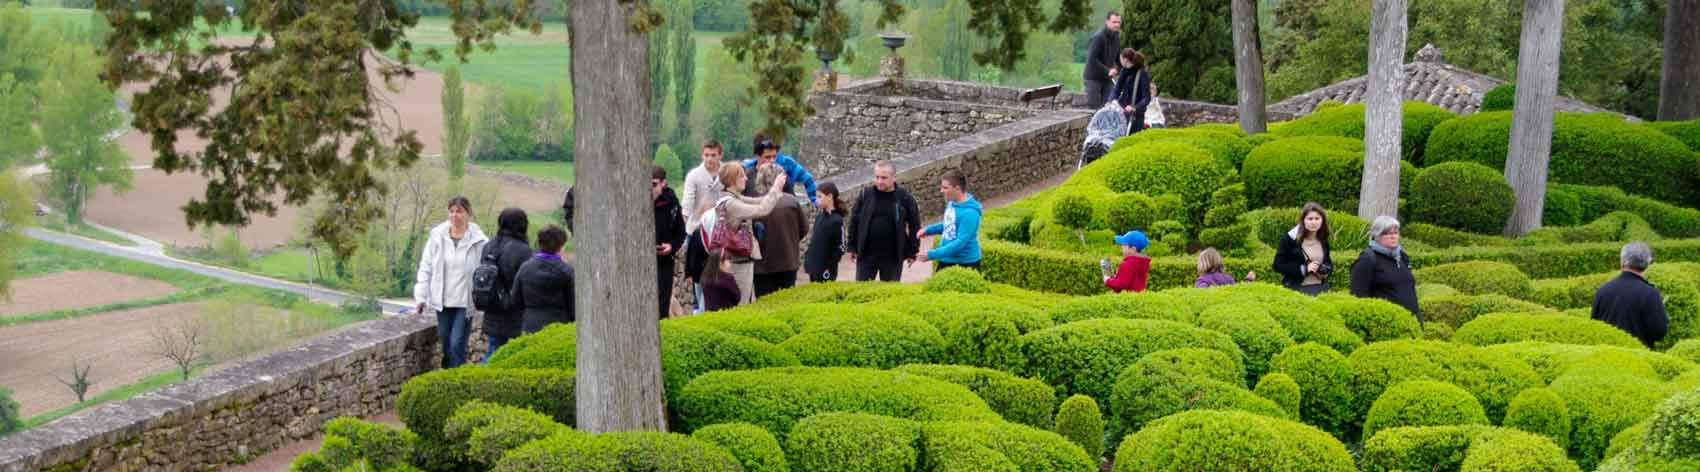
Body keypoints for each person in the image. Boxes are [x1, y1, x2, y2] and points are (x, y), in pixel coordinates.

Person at [413, 196, 487, 369]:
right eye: (451, 211)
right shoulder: (437, 237)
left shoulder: (479, 241)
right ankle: (448, 378)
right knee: (446, 344)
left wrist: (482, 296)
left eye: (459, 211)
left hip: (464, 301)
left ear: (468, 213)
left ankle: (457, 381)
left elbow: (486, 271)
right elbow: (426, 267)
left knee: (456, 344)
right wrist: (421, 297)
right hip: (443, 300)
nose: (454, 215)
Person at [715, 162, 789, 304]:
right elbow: (761, 210)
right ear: (731, 180)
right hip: (738, 262)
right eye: (742, 176)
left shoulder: (731, 197)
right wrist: (775, 188)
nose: (746, 179)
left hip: (735, 260)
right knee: (741, 303)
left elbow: (758, 202)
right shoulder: (731, 204)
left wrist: (776, 192)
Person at [847, 161, 923, 281]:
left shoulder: (905, 198)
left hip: (892, 257)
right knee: (862, 291)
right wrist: (852, 246)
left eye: (884, 178)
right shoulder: (865, 195)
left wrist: (912, 251)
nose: (879, 181)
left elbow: (915, 226)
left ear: (894, 177)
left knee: (890, 294)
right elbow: (854, 221)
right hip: (866, 255)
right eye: (877, 177)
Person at [1591, 242, 1669, 349]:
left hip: (1607, 354)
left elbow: (1594, 325)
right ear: (1647, 263)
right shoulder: (1650, 293)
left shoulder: (1603, 289)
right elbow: (1659, 333)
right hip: (1640, 356)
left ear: (1622, 261)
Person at [481, 208, 534, 362]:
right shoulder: (523, 251)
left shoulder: (489, 246)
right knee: (502, 355)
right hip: (513, 310)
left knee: (493, 347)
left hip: (491, 306)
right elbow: (526, 282)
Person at [1351, 216, 1421, 325]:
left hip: (1412, 322)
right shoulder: (1368, 259)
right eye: (1387, 233)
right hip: (1387, 324)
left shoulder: (1402, 256)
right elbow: (1358, 296)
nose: (1393, 236)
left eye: (1396, 233)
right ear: (1376, 236)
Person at [752, 164, 809, 297]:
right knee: (786, 302)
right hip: (788, 261)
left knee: (764, 304)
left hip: (762, 265)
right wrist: (790, 240)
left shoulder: (755, 203)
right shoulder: (792, 202)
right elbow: (804, 228)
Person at [512, 225, 575, 334]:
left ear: (540, 243)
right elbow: (573, 304)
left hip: (531, 325)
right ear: (561, 246)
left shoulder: (525, 267)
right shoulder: (566, 271)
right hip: (560, 326)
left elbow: (515, 299)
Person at [915, 170, 982, 271]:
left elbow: (960, 243)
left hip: (966, 263)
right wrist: (928, 230)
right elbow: (949, 225)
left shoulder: (970, 213)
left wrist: (932, 254)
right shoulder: (951, 203)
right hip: (947, 258)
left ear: (957, 188)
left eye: (945, 188)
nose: (941, 191)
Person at [1274, 202, 1335, 296]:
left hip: (1320, 289)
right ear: (1303, 220)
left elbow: (1328, 262)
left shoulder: (1323, 240)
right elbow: (1278, 265)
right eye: (1310, 219)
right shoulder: (1290, 239)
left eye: (1317, 218)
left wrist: (1324, 269)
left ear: (1322, 220)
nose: (1313, 222)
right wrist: (1304, 269)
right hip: (1297, 290)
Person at [652, 165, 688, 319]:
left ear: (663, 183)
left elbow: (681, 232)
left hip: (664, 261)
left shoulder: (671, 203)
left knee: (661, 306)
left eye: (654, 184)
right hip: (637, 262)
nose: (650, 189)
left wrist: (671, 246)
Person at [742, 134, 817, 205]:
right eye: (767, 157)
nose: (772, 160)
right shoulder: (747, 172)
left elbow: (808, 180)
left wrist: (815, 202)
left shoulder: (786, 164)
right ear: (757, 156)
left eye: (774, 156)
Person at [804, 182, 849, 282]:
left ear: (829, 196)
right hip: (814, 268)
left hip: (826, 270)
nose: (817, 200)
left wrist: (829, 265)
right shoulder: (819, 217)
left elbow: (841, 246)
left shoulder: (837, 220)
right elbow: (815, 241)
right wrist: (808, 257)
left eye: (820, 197)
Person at [682, 139, 724, 234]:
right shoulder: (693, 175)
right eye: (706, 155)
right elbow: (687, 205)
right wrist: (688, 226)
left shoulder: (727, 172)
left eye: (713, 155)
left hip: (722, 229)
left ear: (720, 156)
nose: (709, 159)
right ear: (702, 155)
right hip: (697, 227)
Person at [1083, 12, 1122, 109]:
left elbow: (1117, 58)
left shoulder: (1116, 38)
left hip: (1107, 79)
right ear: (1107, 22)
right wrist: (1108, 70)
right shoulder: (1098, 37)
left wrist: (1119, 69)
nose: (1117, 25)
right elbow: (1092, 59)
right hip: (1093, 79)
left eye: (1118, 22)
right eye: (1114, 22)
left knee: (1107, 108)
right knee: (1094, 110)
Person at [1110, 48, 1152, 135]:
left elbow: (1146, 98)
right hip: (1122, 114)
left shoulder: (1142, 74)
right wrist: (1112, 100)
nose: (1120, 61)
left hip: (1136, 116)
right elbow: (1117, 89)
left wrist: (1134, 107)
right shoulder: (1124, 71)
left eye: (1120, 58)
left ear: (1125, 59)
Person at [683, 200, 715, 313]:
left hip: (708, 274)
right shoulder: (697, 233)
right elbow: (689, 255)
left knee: (704, 302)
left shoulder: (714, 233)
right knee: (701, 298)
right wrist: (688, 274)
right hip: (698, 274)